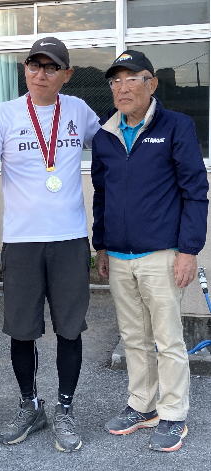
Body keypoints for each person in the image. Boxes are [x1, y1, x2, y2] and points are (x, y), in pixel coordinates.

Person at [0, 37, 100, 452]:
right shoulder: (3, 114)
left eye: (51, 67)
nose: (41, 74)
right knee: (21, 331)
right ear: (25, 69)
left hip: (69, 239)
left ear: (66, 74)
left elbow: (112, 146)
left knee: (70, 330)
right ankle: (30, 405)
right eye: (34, 65)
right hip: (23, 240)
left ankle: (65, 409)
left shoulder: (79, 111)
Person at [92, 50, 209, 452]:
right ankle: (142, 405)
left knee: (167, 339)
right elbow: (102, 195)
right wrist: (101, 245)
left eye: (131, 79)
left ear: (151, 83)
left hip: (162, 254)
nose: (121, 88)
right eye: (115, 81)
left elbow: (195, 191)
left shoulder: (175, 126)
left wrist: (189, 250)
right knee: (133, 337)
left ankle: (173, 413)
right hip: (119, 256)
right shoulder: (105, 135)